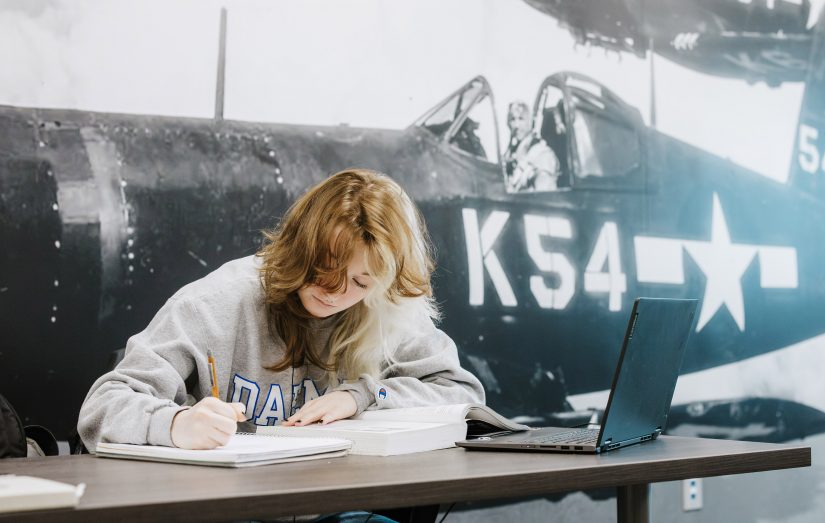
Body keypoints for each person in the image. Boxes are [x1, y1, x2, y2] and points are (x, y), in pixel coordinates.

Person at [78, 168, 485, 456]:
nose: (336, 293)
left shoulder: (386, 310)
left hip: (338, 504)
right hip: (231, 508)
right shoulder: (214, 303)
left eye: (360, 283)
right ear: (298, 249)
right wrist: (175, 425)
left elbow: (461, 394)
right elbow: (103, 407)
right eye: (324, 269)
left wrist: (364, 394)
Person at [504, 101, 559, 192]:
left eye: (521, 119)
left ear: (530, 121)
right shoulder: (512, 154)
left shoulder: (542, 154)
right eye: (513, 119)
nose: (516, 125)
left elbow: (543, 195)